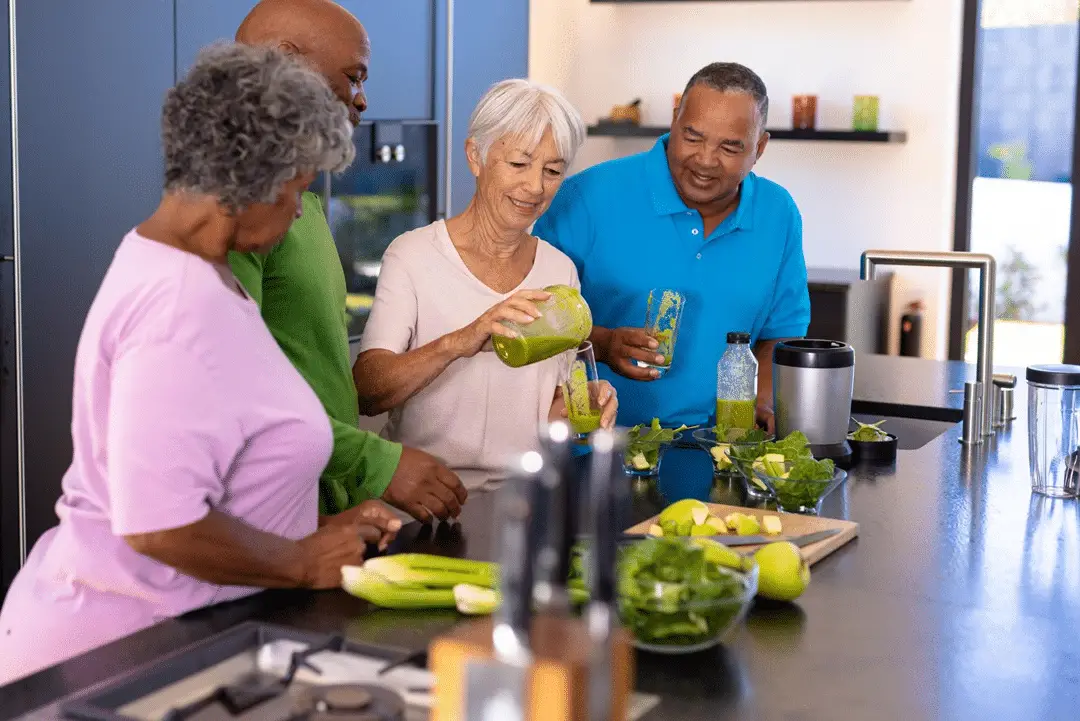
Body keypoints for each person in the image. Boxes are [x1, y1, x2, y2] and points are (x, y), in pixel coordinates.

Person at [0, 44, 403, 684]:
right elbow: (159, 525)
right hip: (124, 652)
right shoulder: (176, 309)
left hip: (182, 633)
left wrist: (311, 524)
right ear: (257, 183)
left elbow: (204, 471)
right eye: (297, 188)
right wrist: (300, 559)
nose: (300, 209)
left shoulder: (191, 268)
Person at [229, 0, 467, 522]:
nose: (362, 100)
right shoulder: (241, 209)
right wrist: (378, 463)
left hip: (318, 500)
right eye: (352, 77)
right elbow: (234, 392)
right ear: (284, 64)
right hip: (263, 512)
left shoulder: (301, 203)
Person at [353, 79, 618, 474]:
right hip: (426, 496)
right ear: (475, 156)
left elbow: (543, 410)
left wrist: (583, 403)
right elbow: (368, 392)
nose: (535, 186)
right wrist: (464, 340)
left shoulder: (559, 269)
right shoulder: (413, 255)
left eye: (552, 170)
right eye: (518, 164)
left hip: (524, 494)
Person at [533, 62, 810, 433]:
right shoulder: (585, 196)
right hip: (599, 441)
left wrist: (760, 402)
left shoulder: (778, 212)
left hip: (723, 447)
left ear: (759, 148)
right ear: (674, 122)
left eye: (730, 146)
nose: (706, 160)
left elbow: (782, 332)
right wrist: (605, 344)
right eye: (693, 137)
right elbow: (536, 322)